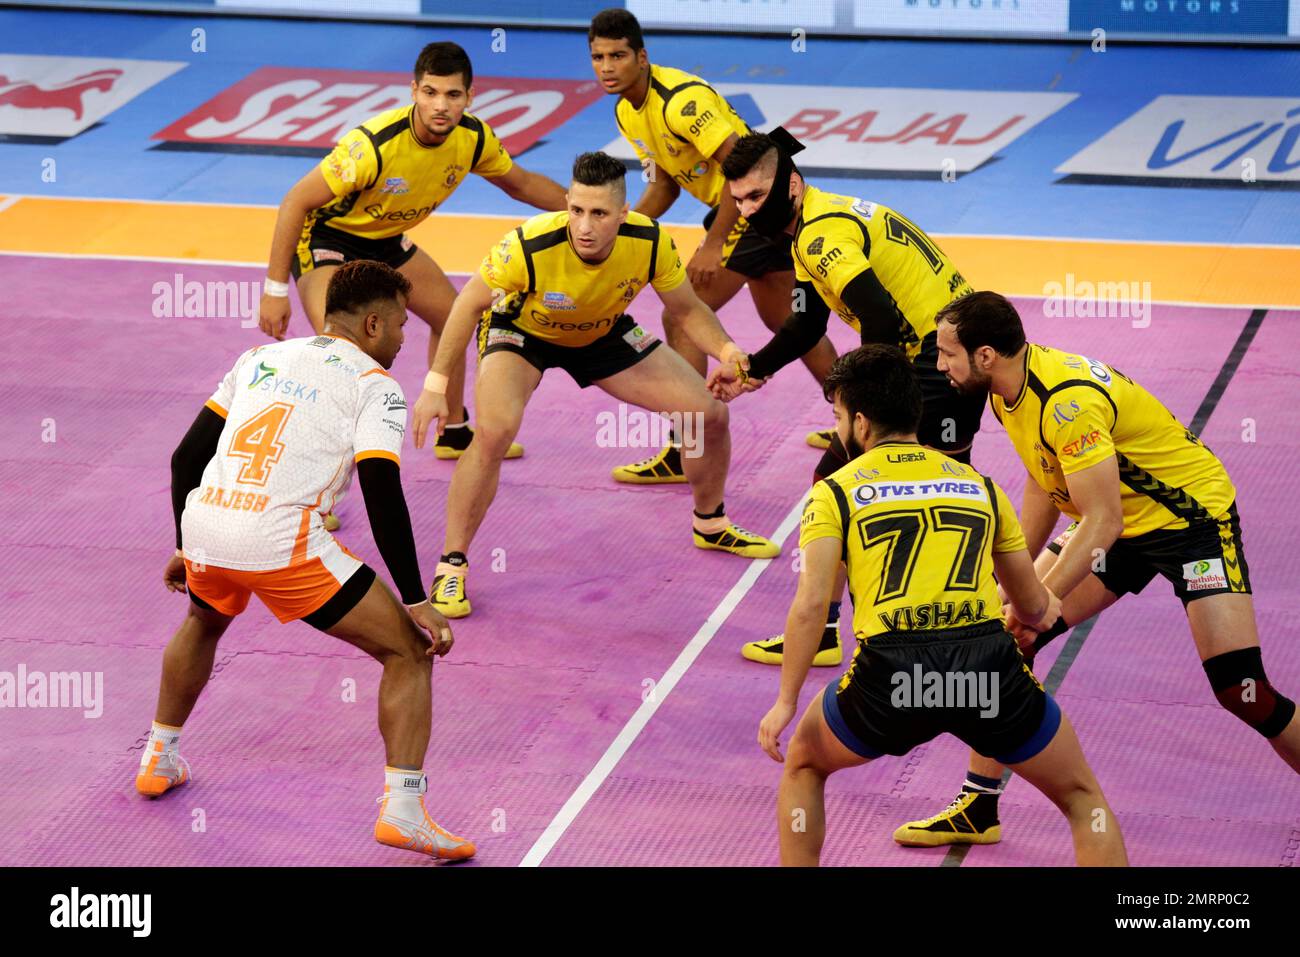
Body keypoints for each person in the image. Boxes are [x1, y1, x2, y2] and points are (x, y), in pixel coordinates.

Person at [891, 290, 1300, 848]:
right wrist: (1011, 576)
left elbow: (1101, 522)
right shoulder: (1008, 390)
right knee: (1008, 642)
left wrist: (1033, 599)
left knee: (1241, 688)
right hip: (1114, 520)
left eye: (946, 354)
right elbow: (1043, 478)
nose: (938, 365)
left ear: (985, 355)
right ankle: (978, 807)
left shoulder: (1065, 402)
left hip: (1189, 523)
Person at [139, 261, 475, 861]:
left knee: (203, 621)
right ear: (373, 324)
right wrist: (418, 598)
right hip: (281, 542)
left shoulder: (258, 359)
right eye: (399, 325)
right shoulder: (375, 385)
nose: (403, 337)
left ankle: (157, 760)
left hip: (211, 522)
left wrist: (188, 545)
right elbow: (380, 488)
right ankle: (403, 811)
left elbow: (184, 459)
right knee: (408, 650)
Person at [758, 344, 1127, 867]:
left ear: (861, 424)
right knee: (1082, 799)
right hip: (986, 671)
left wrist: (786, 702)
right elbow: (1032, 605)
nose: (838, 428)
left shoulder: (835, 493)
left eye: (838, 416)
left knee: (803, 765)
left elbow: (810, 605)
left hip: (892, 677)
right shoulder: (980, 486)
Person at [408, 151, 779, 619]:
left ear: (623, 215)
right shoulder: (527, 246)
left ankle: (710, 522)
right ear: (567, 203)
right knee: (496, 431)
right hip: (524, 333)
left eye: (599, 214)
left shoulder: (648, 242)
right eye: (577, 210)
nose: (584, 225)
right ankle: (452, 565)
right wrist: (436, 385)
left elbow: (686, 309)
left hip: (602, 332)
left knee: (706, 414)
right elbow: (467, 306)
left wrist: (728, 352)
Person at [713, 130, 984, 668]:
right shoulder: (812, 222)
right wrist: (754, 369)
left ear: (791, 184)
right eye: (738, 200)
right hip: (960, 352)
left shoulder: (819, 236)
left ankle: (858, 633)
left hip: (938, 360)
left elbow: (879, 317)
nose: (746, 210)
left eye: (757, 196)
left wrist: (859, 404)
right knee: (940, 491)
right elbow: (807, 322)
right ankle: (944, 629)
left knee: (840, 488)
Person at [258, 40, 567, 469]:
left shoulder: (472, 139)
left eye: (452, 95)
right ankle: (311, 479)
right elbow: (296, 201)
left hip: (385, 239)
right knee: (341, 351)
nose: (441, 105)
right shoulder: (373, 146)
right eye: (430, 93)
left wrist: (585, 209)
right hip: (329, 240)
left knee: (455, 315)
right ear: (414, 91)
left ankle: (455, 431)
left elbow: (523, 184)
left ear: (469, 97)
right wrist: (275, 289)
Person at [588, 8, 838, 485]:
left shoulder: (682, 102)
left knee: (682, 312)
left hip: (759, 205)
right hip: (758, 209)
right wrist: (623, 226)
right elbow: (664, 185)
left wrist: (713, 242)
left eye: (617, 55)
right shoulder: (626, 111)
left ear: (641, 57)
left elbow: (740, 173)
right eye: (598, 57)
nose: (606, 66)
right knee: (787, 321)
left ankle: (687, 448)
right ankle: (861, 415)